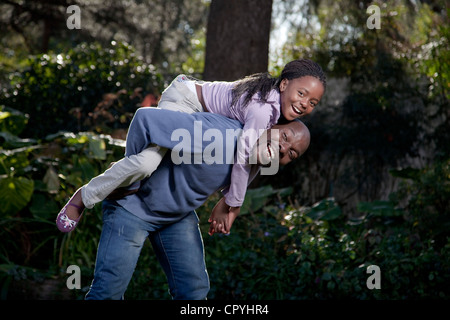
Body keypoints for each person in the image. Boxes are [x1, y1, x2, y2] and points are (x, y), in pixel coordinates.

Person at [56, 59, 326, 233]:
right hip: (185, 99)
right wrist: (233, 202)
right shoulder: (262, 109)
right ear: (284, 83)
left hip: (199, 111)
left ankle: (130, 179)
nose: (305, 103)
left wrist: (231, 199)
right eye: (302, 94)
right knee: (148, 163)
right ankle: (84, 196)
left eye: (312, 102)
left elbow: (255, 157)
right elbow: (245, 154)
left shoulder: (276, 115)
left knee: (155, 164)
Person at [84, 107, 311, 299]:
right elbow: (145, 117)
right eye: (285, 137)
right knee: (108, 291)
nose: (284, 149)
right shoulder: (220, 134)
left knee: (194, 291)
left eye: (292, 153)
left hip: (175, 217)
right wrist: (133, 173)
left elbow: (234, 186)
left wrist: (228, 204)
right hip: (132, 207)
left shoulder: (258, 158)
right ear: (272, 124)